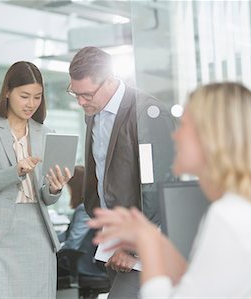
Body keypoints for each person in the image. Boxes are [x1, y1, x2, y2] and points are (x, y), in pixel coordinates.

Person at [88, 82, 251, 298]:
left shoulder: (231, 217)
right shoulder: (244, 209)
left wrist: (148, 244)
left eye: (185, 126)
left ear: (211, 139)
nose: (175, 136)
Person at [67, 46, 175, 298]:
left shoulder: (147, 113)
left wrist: (133, 248)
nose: (81, 102)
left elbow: (157, 186)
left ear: (110, 80)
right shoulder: (93, 114)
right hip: (112, 238)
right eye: (75, 94)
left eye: (86, 94)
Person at [0, 61, 71, 299]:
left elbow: (47, 196)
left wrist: (54, 188)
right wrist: (14, 171)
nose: (31, 104)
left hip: (37, 232)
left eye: (37, 97)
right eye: (25, 96)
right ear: (8, 92)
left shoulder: (47, 133)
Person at [58, 165, 91, 250]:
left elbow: (73, 243)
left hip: (81, 260)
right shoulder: (85, 207)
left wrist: (56, 255)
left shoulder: (84, 209)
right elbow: (67, 234)